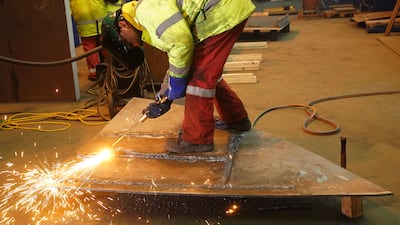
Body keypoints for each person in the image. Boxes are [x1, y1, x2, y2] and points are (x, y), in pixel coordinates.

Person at [119, 0, 255, 153]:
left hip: (220, 12)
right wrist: (166, 92)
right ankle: (236, 119)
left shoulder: (146, 12)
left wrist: (176, 83)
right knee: (208, 74)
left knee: (198, 81)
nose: (133, 45)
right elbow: (178, 57)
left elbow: (182, 43)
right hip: (223, 9)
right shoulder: (145, 13)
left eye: (127, 42)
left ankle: (197, 140)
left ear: (123, 25)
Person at [70, 0, 124, 81]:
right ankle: (110, 68)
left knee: (89, 46)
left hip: (80, 14)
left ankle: (94, 72)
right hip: (98, 13)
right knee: (105, 43)